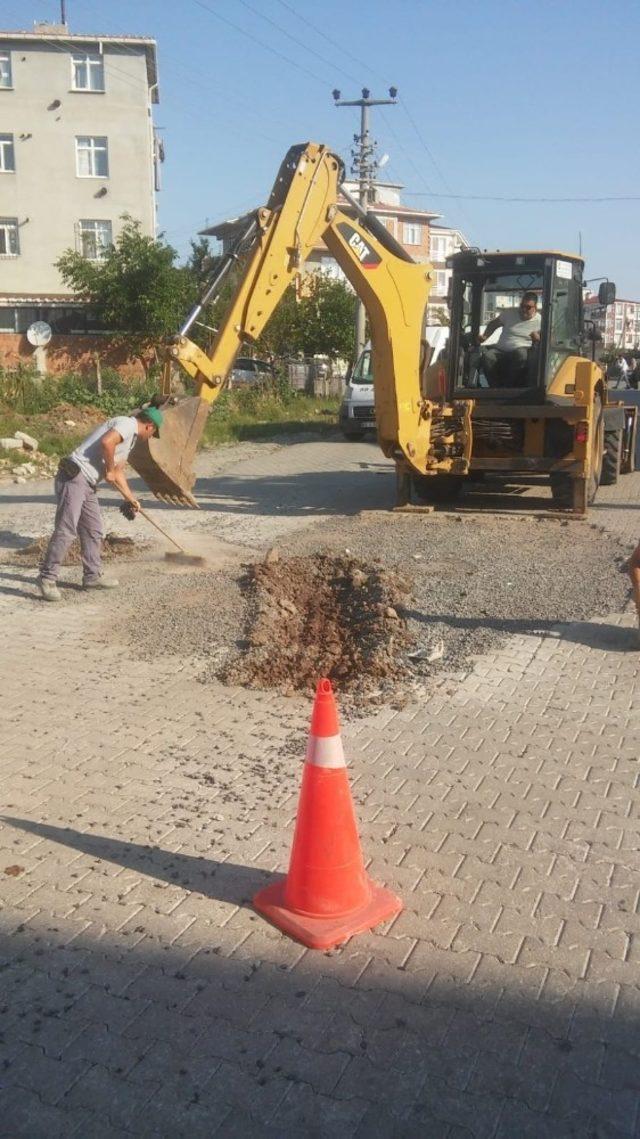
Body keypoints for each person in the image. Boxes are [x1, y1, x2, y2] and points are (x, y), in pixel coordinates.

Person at [37, 406, 163, 602]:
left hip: (87, 483)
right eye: (154, 433)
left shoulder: (130, 439)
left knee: (94, 530)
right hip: (74, 477)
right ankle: (47, 578)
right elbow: (107, 443)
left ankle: (92, 577)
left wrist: (131, 499)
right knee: (67, 529)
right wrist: (110, 469)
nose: (151, 437)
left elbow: (118, 472)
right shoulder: (127, 424)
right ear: (150, 426)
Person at [477, 291, 541, 387]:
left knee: (521, 355)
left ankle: (508, 387)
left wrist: (538, 338)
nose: (523, 309)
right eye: (522, 306)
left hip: (522, 350)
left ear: (535, 308)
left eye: (528, 307)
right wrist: (485, 336)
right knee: (488, 356)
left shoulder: (540, 321)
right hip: (501, 350)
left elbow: (548, 340)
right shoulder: (509, 313)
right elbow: (494, 324)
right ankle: (495, 388)